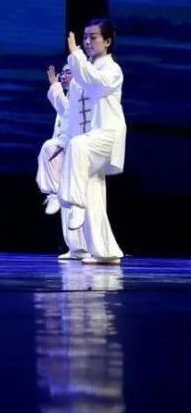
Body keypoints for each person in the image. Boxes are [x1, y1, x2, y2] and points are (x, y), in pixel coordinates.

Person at [59, 20, 126, 265]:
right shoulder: (82, 73)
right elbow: (73, 114)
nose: (87, 42)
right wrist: (64, 141)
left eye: (93, 37)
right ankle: (105, 251)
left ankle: (74, 203)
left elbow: (96, 84)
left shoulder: (113, 70)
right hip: (90, 140)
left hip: (108, 134)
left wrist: (75, 56)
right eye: (85, 37)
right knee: (93, 193)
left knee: (78, 145)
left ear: (107, 41)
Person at [39, 64, 89, 260]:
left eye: (69, 72)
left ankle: (85, 246)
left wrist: (54, 86)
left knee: (76, 200)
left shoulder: (82, 95)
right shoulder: (68, 96)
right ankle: (75, 248)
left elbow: (67, 111)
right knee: (65, 200)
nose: (64, 76)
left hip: (77, 152)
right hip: (64, 153)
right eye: (63, 73)